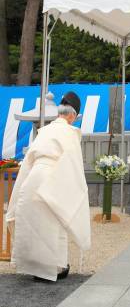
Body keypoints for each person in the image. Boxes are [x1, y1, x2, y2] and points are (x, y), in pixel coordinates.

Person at [6, 91, 91, 282]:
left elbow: (28, 161)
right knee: (54, 222)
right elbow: (72, 162)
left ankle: (36, 268)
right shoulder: (71, 132)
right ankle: (56, 267)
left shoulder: (44, 131)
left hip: (33, 177)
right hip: (53, 176)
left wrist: (22, 187)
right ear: (72, 115)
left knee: (33, 222)